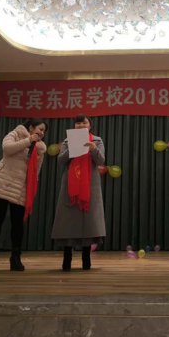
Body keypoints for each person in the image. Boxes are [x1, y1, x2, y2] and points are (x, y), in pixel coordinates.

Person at [0, 119, 48, 273]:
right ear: (31, 127)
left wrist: (31, 189)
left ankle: (15, 259)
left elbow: (35, 172)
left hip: (20, 188)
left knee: (18, 224)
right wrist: (28, 140)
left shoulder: (40, 148)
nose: (42, 133)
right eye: (40, 129)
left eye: (44, 131)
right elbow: (7, 149)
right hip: (1, 183)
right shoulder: (16, 134)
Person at [51, 115, 106, 271]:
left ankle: (86, 259)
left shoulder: (97, 141)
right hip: (70, 186)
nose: (81, 125)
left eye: (84, 122)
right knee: (68, 222)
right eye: (78, 123)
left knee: (89, 222)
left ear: (90, 126)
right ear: (74, 126)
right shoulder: (67, 141)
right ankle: (66, 259)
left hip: (90, 186)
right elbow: (61, 161)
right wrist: (72, 149)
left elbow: (101, 161)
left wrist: (93, 149)